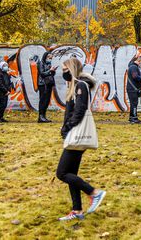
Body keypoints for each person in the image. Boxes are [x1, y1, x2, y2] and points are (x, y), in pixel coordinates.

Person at [57, 57, 106, 221]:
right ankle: (77, 210)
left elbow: (79, 110)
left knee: (62, 173)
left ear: (71, 69)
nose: (63, 73)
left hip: (77, 134)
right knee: (71, 174)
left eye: (65, 70)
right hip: (76, 134)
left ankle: (94, 192)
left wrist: (67, 127)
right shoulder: (74, 85)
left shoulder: (80, 85)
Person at [37, 52, 57, 123]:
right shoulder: (41, 63)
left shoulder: (49, 64)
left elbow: (51, 74)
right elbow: (42, 74)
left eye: (51, 58)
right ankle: (40, 117)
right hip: (42, 84)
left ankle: (44, 116)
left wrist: (53, 71)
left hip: (49, 84)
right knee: (42, 100)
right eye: (49, 58)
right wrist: (50, 71)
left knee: (47, 101)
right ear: (45, 57)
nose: (50, 59)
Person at [126, 55, 141, 124]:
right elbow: (135, 77)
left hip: (132, 89)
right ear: (139, 61)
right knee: (134, 103)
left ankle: (132, 118)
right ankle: (133, 119)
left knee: (133, 103)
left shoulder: (132, 66)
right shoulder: (133, 67)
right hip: (132, 89)